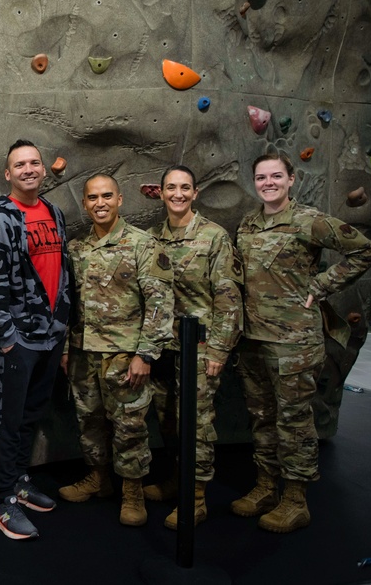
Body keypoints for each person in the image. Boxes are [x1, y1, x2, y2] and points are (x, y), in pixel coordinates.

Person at [233, 153, 371, 533]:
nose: (268, 183)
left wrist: (321, 285)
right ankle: (266, 486)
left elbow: (365, 250)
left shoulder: (308, 220)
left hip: (294, 341)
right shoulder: (248, 223)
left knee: (294, 422)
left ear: (291, 180)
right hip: (252, 339)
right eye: (261, 177)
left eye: (276, 176)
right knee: (261, 417)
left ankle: (295, 500)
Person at [58, 173, 174, 527]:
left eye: (107, 196)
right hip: (83, 355)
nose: (100, 203)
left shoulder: (142, 244)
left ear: (120, 200)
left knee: (129, 429)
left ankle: (133, 492)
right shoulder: (76, 248)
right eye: (92, 198)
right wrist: (66, 349)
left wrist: (146, 354)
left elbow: (160, 302)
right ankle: (99, 479)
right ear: (85, 203)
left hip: (124, 358)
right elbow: (66, 304)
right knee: (89, 423)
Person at [0, 139, 72, 540]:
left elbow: (63, 273)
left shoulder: (54, 212)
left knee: (32, 414)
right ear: (8, 174)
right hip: (19, 340)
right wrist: (7, 339)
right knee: (8, 419)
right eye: (20, 164)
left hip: (51, 336)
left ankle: (19, 479)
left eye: (35, 162)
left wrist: (63, 328)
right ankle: (2, 500)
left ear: (43, 169)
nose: (29, 169)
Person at [145, 166, 243, 529]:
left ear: (196, 193)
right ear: (160, 192)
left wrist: (219, 350)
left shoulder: (213, 236)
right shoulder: (153, 237)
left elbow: (229, 296)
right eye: (171, 187)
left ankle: (196, 498)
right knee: (169, 419)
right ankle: (177, 480)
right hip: (162, 345)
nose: (178, 194)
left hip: (199, 347)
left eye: (185, 188)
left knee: (196, 423)